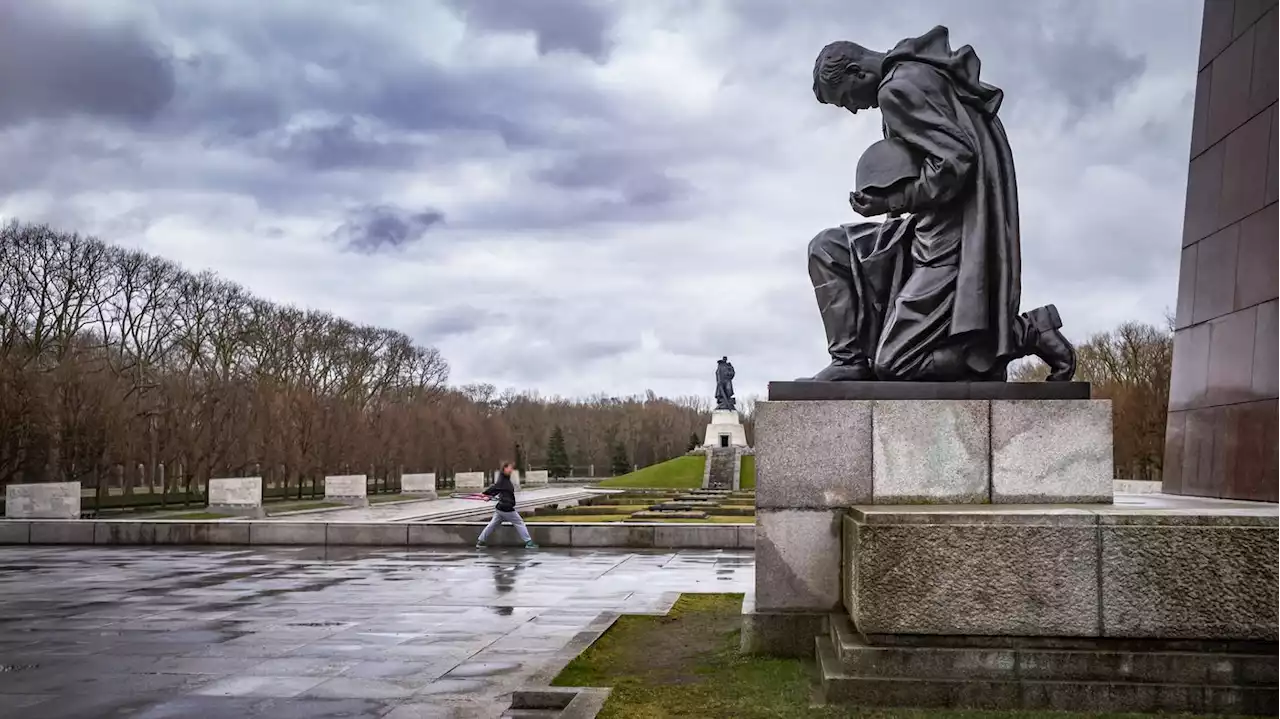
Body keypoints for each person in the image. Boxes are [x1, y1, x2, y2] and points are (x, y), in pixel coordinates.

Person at [804, 26, 1076, 382]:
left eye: (845, 98)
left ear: (857, 72)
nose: (853, 109)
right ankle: (848, 360)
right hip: (929, 228)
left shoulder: (898, 89)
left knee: (895, 364)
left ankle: (1023, 333)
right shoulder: (916, 72)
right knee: (829, 249)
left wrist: (891, 200)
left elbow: (955, 162)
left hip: (953, 242)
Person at [476, 462, 538, 549]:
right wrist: (486, 494)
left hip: (500, 507)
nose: (511, 470)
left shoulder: (504, 478)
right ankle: (529, 542)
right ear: (504, 468)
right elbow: (496, 487)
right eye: (510, 468)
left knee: (492, 524)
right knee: (519, 522)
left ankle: (481, 541)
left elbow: (499, 489)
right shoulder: (503, 480)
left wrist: (488, 496)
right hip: (506, 507)